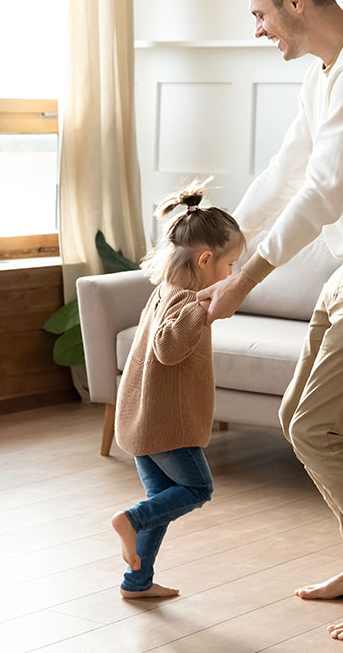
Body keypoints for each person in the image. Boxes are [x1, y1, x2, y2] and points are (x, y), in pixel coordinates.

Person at [196, 0, 343, 644]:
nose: (258, 30)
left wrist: (244, 280)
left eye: (260, 14)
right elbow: (284, 171)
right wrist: (223, 243)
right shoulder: (323, 76)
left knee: (313, 427)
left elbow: (324, 189)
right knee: (299, 412)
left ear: (294, 1)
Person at [110, 182, 245, 599]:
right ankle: (130, 520)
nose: (233, 276)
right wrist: (203, 312)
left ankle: (137, 582)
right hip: (167, 425)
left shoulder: (165, 289)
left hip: (142, 420)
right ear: (206, 259)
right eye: (231, 266)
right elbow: (167, 348)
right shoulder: (189, 299)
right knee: (196, 489)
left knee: (162, 500)